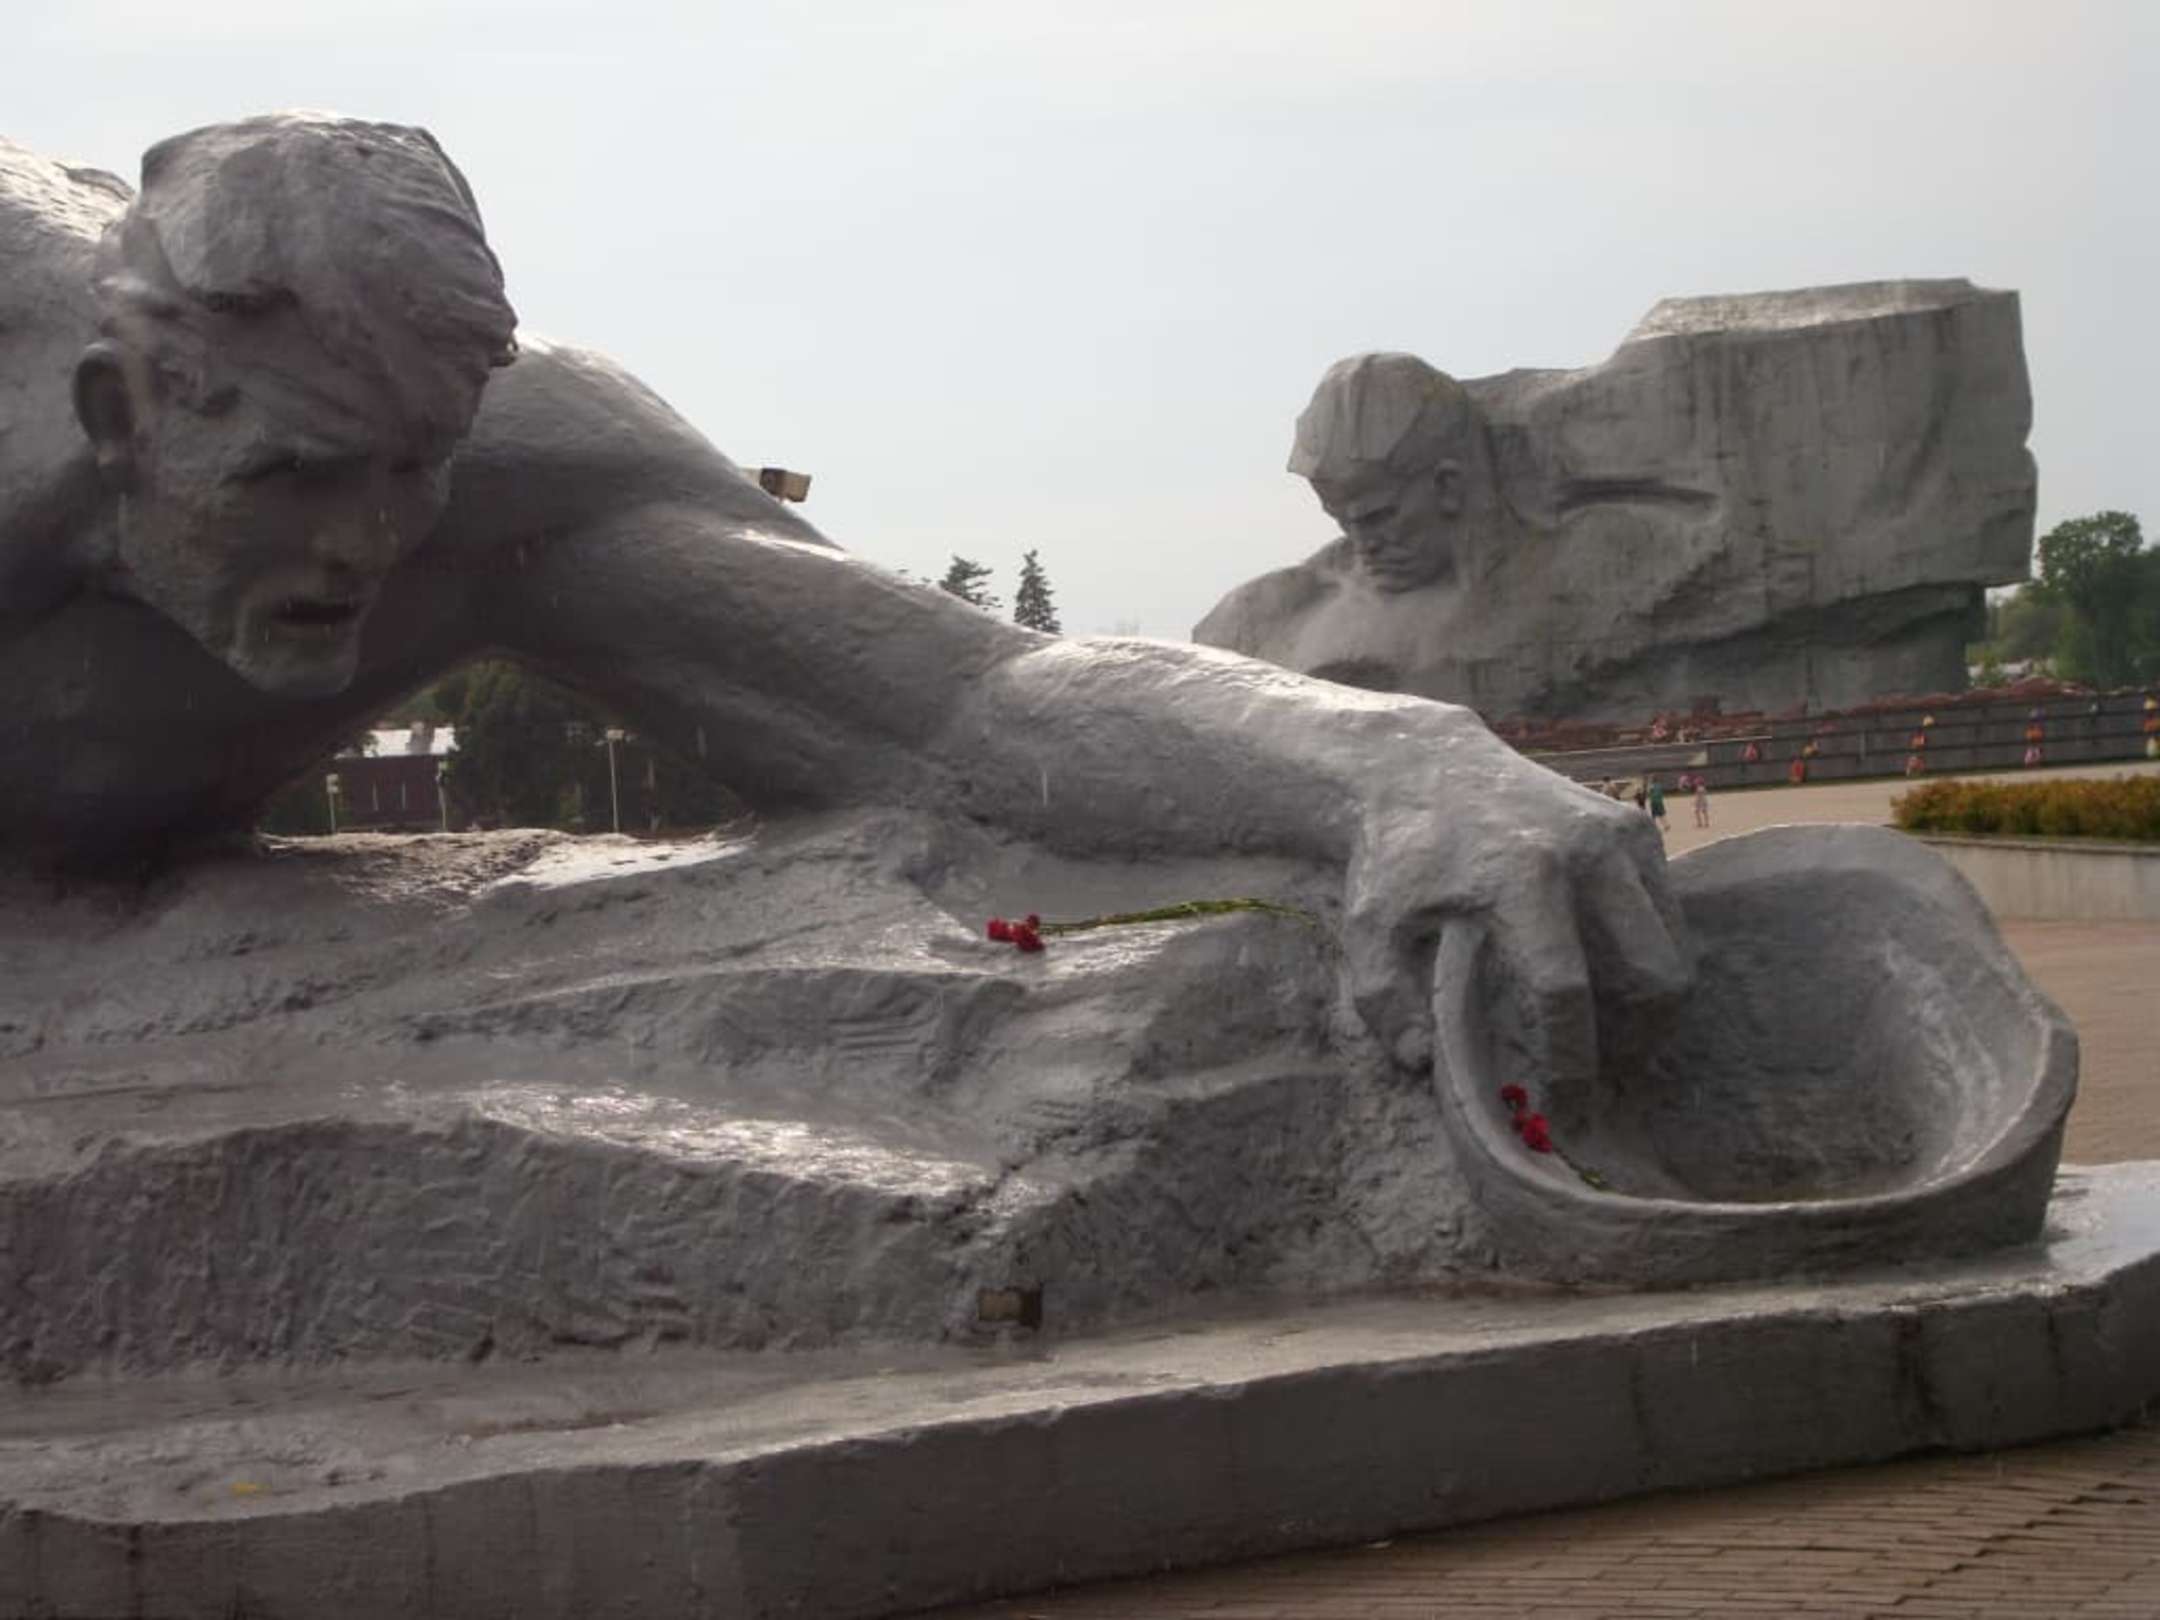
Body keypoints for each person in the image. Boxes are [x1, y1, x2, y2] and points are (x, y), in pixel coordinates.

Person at [0, 116, 1686, 1091]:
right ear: (112, 414)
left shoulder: (521, 458)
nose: (369, 544)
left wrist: (1386, 769)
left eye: (411, 471)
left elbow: (961, 703)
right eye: (297, 476)